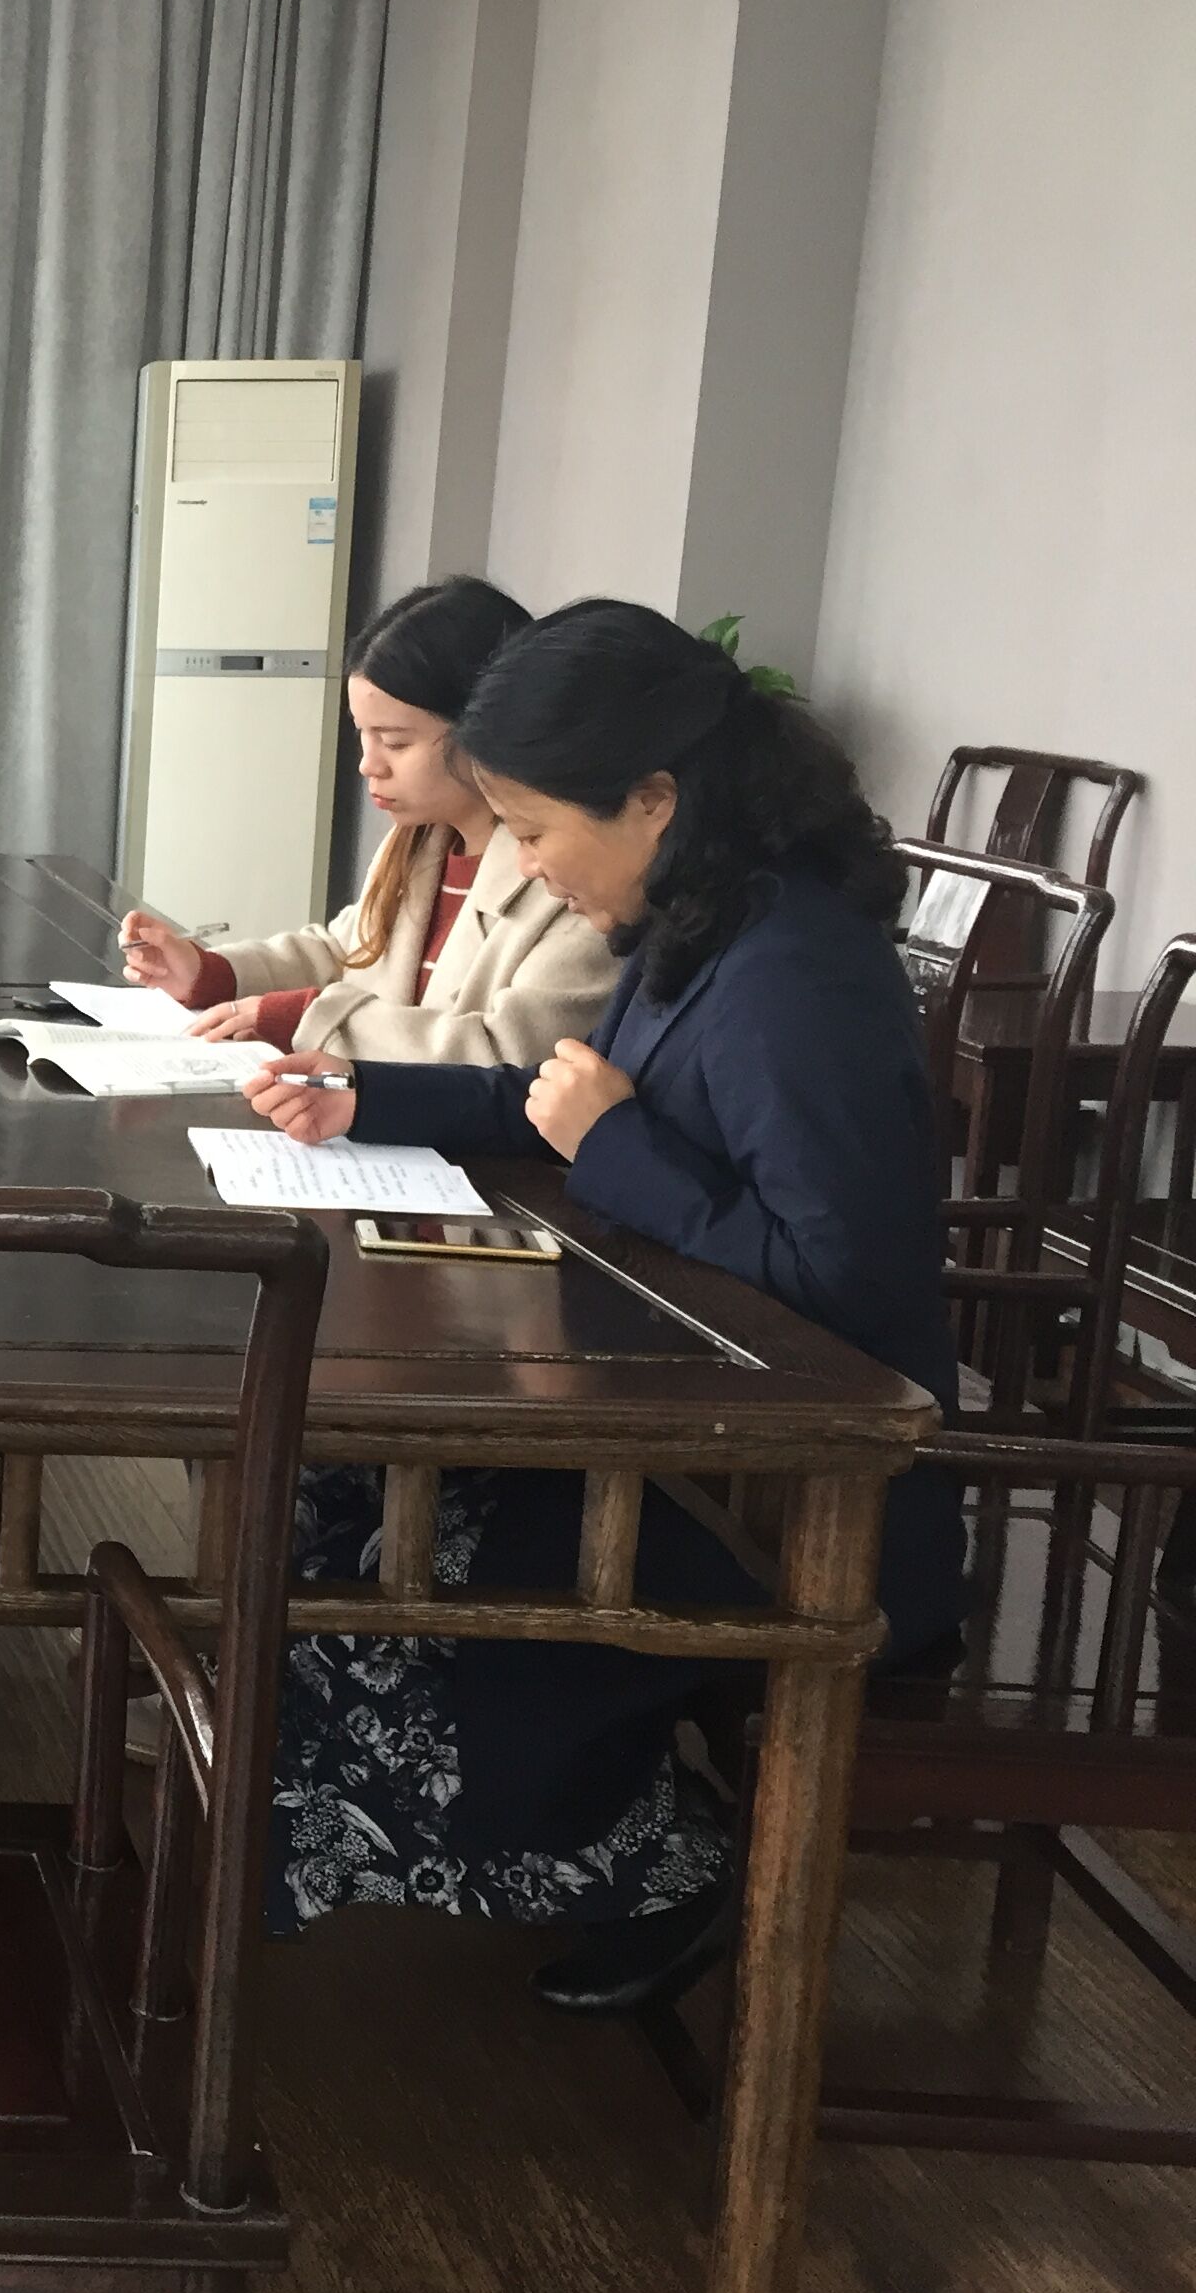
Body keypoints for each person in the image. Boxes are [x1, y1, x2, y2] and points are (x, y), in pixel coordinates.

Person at [234, 598, 963, 2010]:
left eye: (537, 829)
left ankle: (664, 1870)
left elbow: (841, 1289)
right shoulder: (704, 920)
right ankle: (555, 1829)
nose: (528, 866)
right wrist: (367, 1096)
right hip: (688, 1428)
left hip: (796, 1494)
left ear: (654, 799)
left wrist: (615, 1142)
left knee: (399, 1591)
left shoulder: (796, 977)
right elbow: (555, 1094)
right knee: (339, 1504)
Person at [117, 576, 615, 1066]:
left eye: (396, 742)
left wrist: (309, 1019)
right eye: (364, 735)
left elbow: (507, 1052)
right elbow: (346, 952)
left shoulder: (570, 877)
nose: (368, 765)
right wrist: (211, 972)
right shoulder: (420, 843)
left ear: (486, 729)